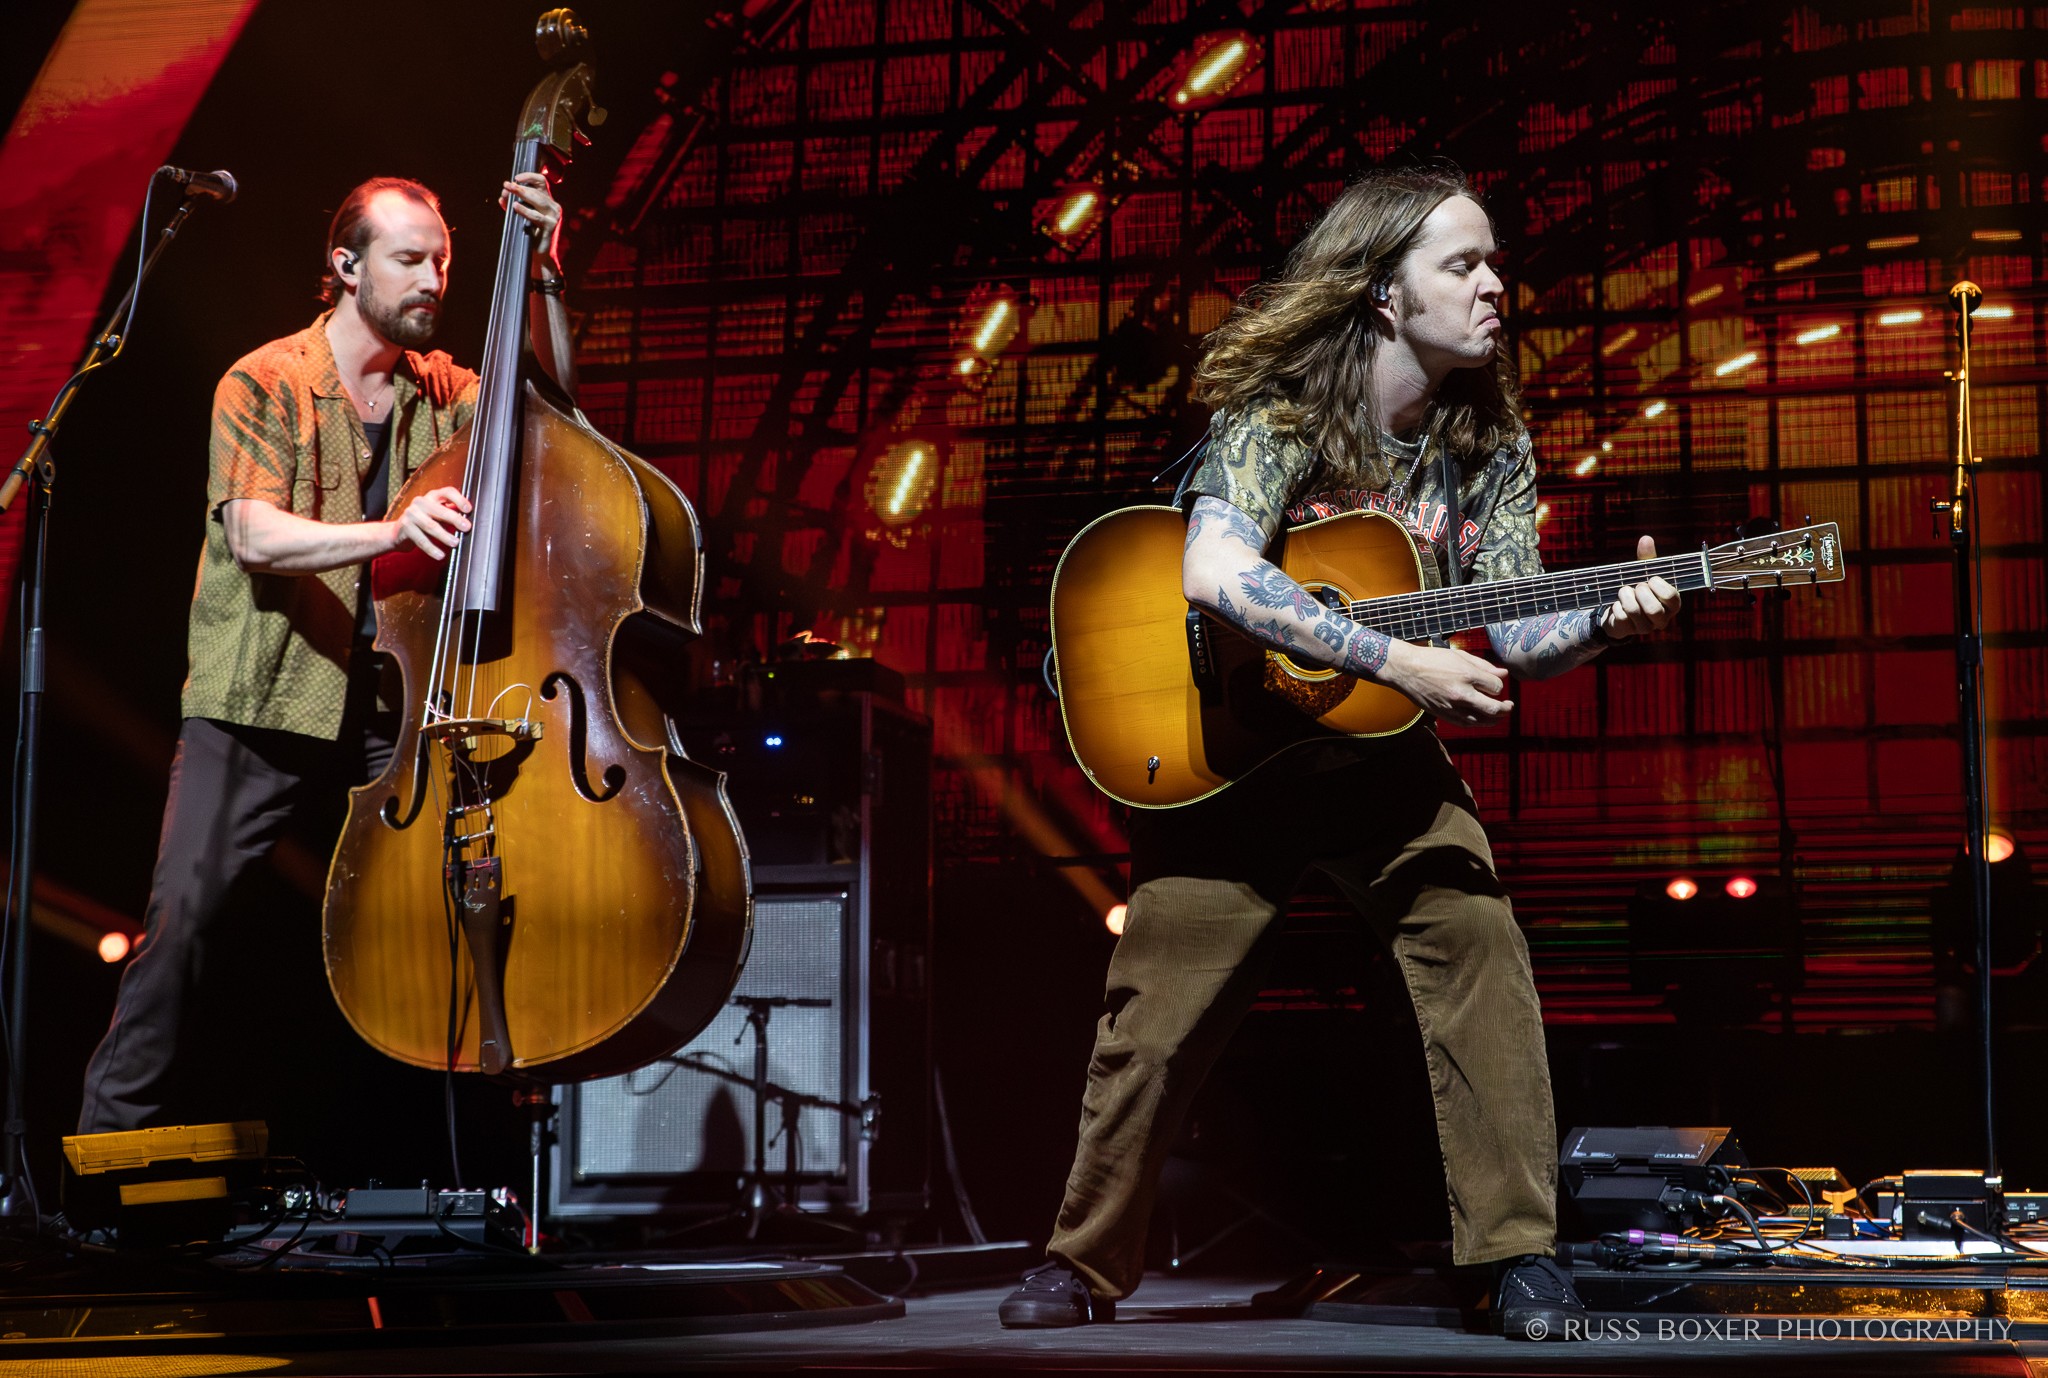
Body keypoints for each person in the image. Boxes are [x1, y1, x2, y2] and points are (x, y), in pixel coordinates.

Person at [999, 164, 1681, 1341]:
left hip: (1377, 766)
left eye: (1491, 261)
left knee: (1478, 944)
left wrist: (1602, 618)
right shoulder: (1275, 414)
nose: (1491, 284)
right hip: (1231, 754)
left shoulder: (1487, 443)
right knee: (1150, 1023)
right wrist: (1400, 661)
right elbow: (1212, 571)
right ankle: (1079, 1262)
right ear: (1381, 291)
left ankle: (1515, 1255)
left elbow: (1516, 630)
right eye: (1460, 263)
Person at [77, 172, 576, 1135]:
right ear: (346, 266)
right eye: (410, 260)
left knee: (452, 907)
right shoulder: (262, 380)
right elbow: (256, 537)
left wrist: (547, 272)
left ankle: (470, 1156)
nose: (435, 278)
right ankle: (108, 1161)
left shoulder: (449, 392)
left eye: (443, 260)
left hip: (392, 708)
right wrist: (392, 532)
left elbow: (552, 419)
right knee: (181, 925)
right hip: (260, 700)